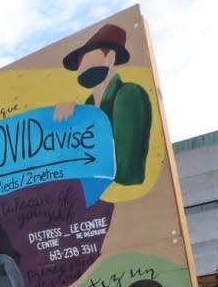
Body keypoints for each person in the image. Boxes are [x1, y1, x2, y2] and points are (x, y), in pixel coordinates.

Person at [58, 23, 152, 187]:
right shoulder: (88, 106)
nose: (83, 66)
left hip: (124, 194)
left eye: (89, 59)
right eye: (80, 63)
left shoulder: (128, 94)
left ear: (111, 58)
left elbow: (126, 173)